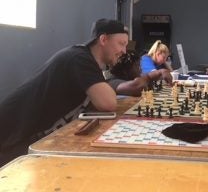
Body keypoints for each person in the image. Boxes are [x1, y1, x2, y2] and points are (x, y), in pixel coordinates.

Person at [0, 18, 128, 166]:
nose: (124, 51)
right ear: (104, 39)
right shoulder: (80, 58)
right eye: (121, 44)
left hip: (25, 137)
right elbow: (108, 103)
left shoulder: (87, 61)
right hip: (12, 137)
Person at [107, 51, 173, 97]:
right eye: (137, 66)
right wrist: (150, 77)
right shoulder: (113, 82)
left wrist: (161, 71)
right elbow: (139, 87)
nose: (140, 69)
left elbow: (146, 78)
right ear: (125, 70)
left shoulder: (128, 78)